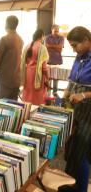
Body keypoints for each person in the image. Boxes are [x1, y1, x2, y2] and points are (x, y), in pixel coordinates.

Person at [58, 26, 91, 192]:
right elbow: (72, 80)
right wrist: (66, 93)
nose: (73, 49)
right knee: (72, 148)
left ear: (86, 40)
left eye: (75, 45)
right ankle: (75, 183)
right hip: (77, 110)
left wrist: (84, 95)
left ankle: (82, 188)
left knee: (83, 151)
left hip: (89, 113)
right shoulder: (79, 57)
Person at [0, 15, 24, 101]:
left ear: (6, 24)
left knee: (0, 105)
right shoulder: (20, 40)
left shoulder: (4, 39)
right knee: (13, 106)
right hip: (16, 79)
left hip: (4, 80)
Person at [21, 29, 49, 105]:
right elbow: (44, 68)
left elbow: (23, 62)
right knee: (37, 96)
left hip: (27, 73)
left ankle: (26, 111)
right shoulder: (42, 48)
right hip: (37, 74)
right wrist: (47, 77)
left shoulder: (27, 46)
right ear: (42, 36)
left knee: (27, 94)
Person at [45, 24, 64, 96]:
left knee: (56, 77)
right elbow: (46, 47)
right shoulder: (47, 37)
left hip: (57, 61)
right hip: (48, 60)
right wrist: (56, 47)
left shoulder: (61, 38)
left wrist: (50, 46)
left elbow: (60, 49)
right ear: (51, 30)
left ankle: (55, 92)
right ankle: (47, 92)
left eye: (58, 31)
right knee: (48, 77)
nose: (57, 32)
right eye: (55, 31)